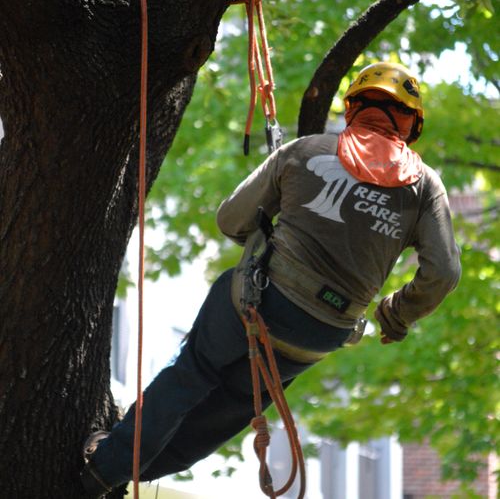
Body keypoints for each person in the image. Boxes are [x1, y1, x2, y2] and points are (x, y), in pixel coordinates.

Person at [81, 62, 461, 497]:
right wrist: (395, 314)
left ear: (353, 107)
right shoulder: (425, 187)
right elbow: (444, 271)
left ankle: (106, 465)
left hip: (260, 302)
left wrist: (269, 228)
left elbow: (230, 219)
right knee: (234, 407)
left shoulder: (305, 151)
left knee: (195, 371)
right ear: (412, 124)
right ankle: (132, 473)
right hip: (320, 334)